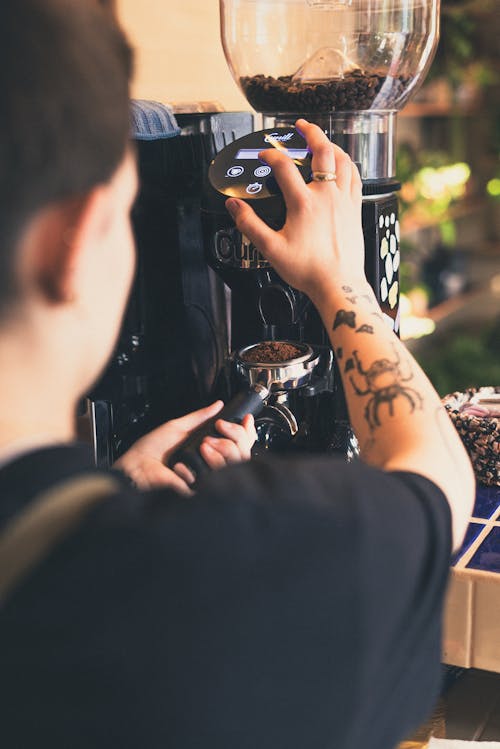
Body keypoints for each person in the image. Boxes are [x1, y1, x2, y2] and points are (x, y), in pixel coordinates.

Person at [0, 1, 474, 748]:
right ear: (74, 241)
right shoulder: (231, 580)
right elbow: (437, 483)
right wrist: (342, 284)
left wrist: (106, 493)